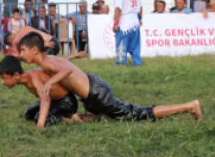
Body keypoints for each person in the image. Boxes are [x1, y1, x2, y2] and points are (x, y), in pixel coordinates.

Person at [15, 32, 203, 129]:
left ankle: (189, 106)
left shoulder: (47, 63)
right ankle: (84, 118)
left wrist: (49, 83)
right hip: (93, 88)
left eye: (22, 51)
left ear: (34, 50)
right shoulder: (48, 59)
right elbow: (64, 63)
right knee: (103, 116)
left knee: (137, 114)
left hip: (97, 94)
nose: (20, 55)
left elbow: (64, 70)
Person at [0, 54, 90, 129]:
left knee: (41, 118)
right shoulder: (27, 78)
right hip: (55, 102)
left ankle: (73, 119)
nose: (2, 82)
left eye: (4, 78)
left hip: (67, 103)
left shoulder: (33, 77)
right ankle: (75, 116)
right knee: (29, 114)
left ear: (16, 75)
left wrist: (40, 125)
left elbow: (45, 99)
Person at [110, 0, 143, 66]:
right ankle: (137, 63)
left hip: (124, 22)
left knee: (121, 45)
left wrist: (116, 23)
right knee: (135, 45)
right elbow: (140, 6)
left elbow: (118, 9)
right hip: (135, 20)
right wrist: (140, 18)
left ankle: (120, 64)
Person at [5, 26, 74, 57]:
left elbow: (15, 56)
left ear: (10, 42)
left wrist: (44, 45)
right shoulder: (22, 29)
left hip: (49, 45)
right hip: (53, 40)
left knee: (45, 63)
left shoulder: (16, 41)